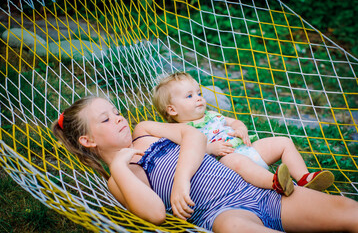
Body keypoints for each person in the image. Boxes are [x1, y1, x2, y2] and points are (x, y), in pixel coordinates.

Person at [52, 96, 358, 232]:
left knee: (346, 212)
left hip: (256, 189)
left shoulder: (144, 131)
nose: (118, 118)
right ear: (88, 141)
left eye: (116, 112)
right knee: (235, 228)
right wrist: (118, 167)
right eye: (106, 119)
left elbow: (193, 136)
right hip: (221, 214)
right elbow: (156, 214)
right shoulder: (120, 178)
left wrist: (181, 180)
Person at [152, 72, 334, 196]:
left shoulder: (212, 115)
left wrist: (241, 129)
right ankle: (276, 183)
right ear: (172, 109)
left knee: (283, 142)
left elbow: (234, 122)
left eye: (199, 93)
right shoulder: (179, 130)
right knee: (236, 161)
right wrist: (210, 148)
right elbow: (186, 152)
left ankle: (304, 178)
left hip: (248, 148)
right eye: (189, 96)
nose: (199, 97)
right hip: (226, 163)